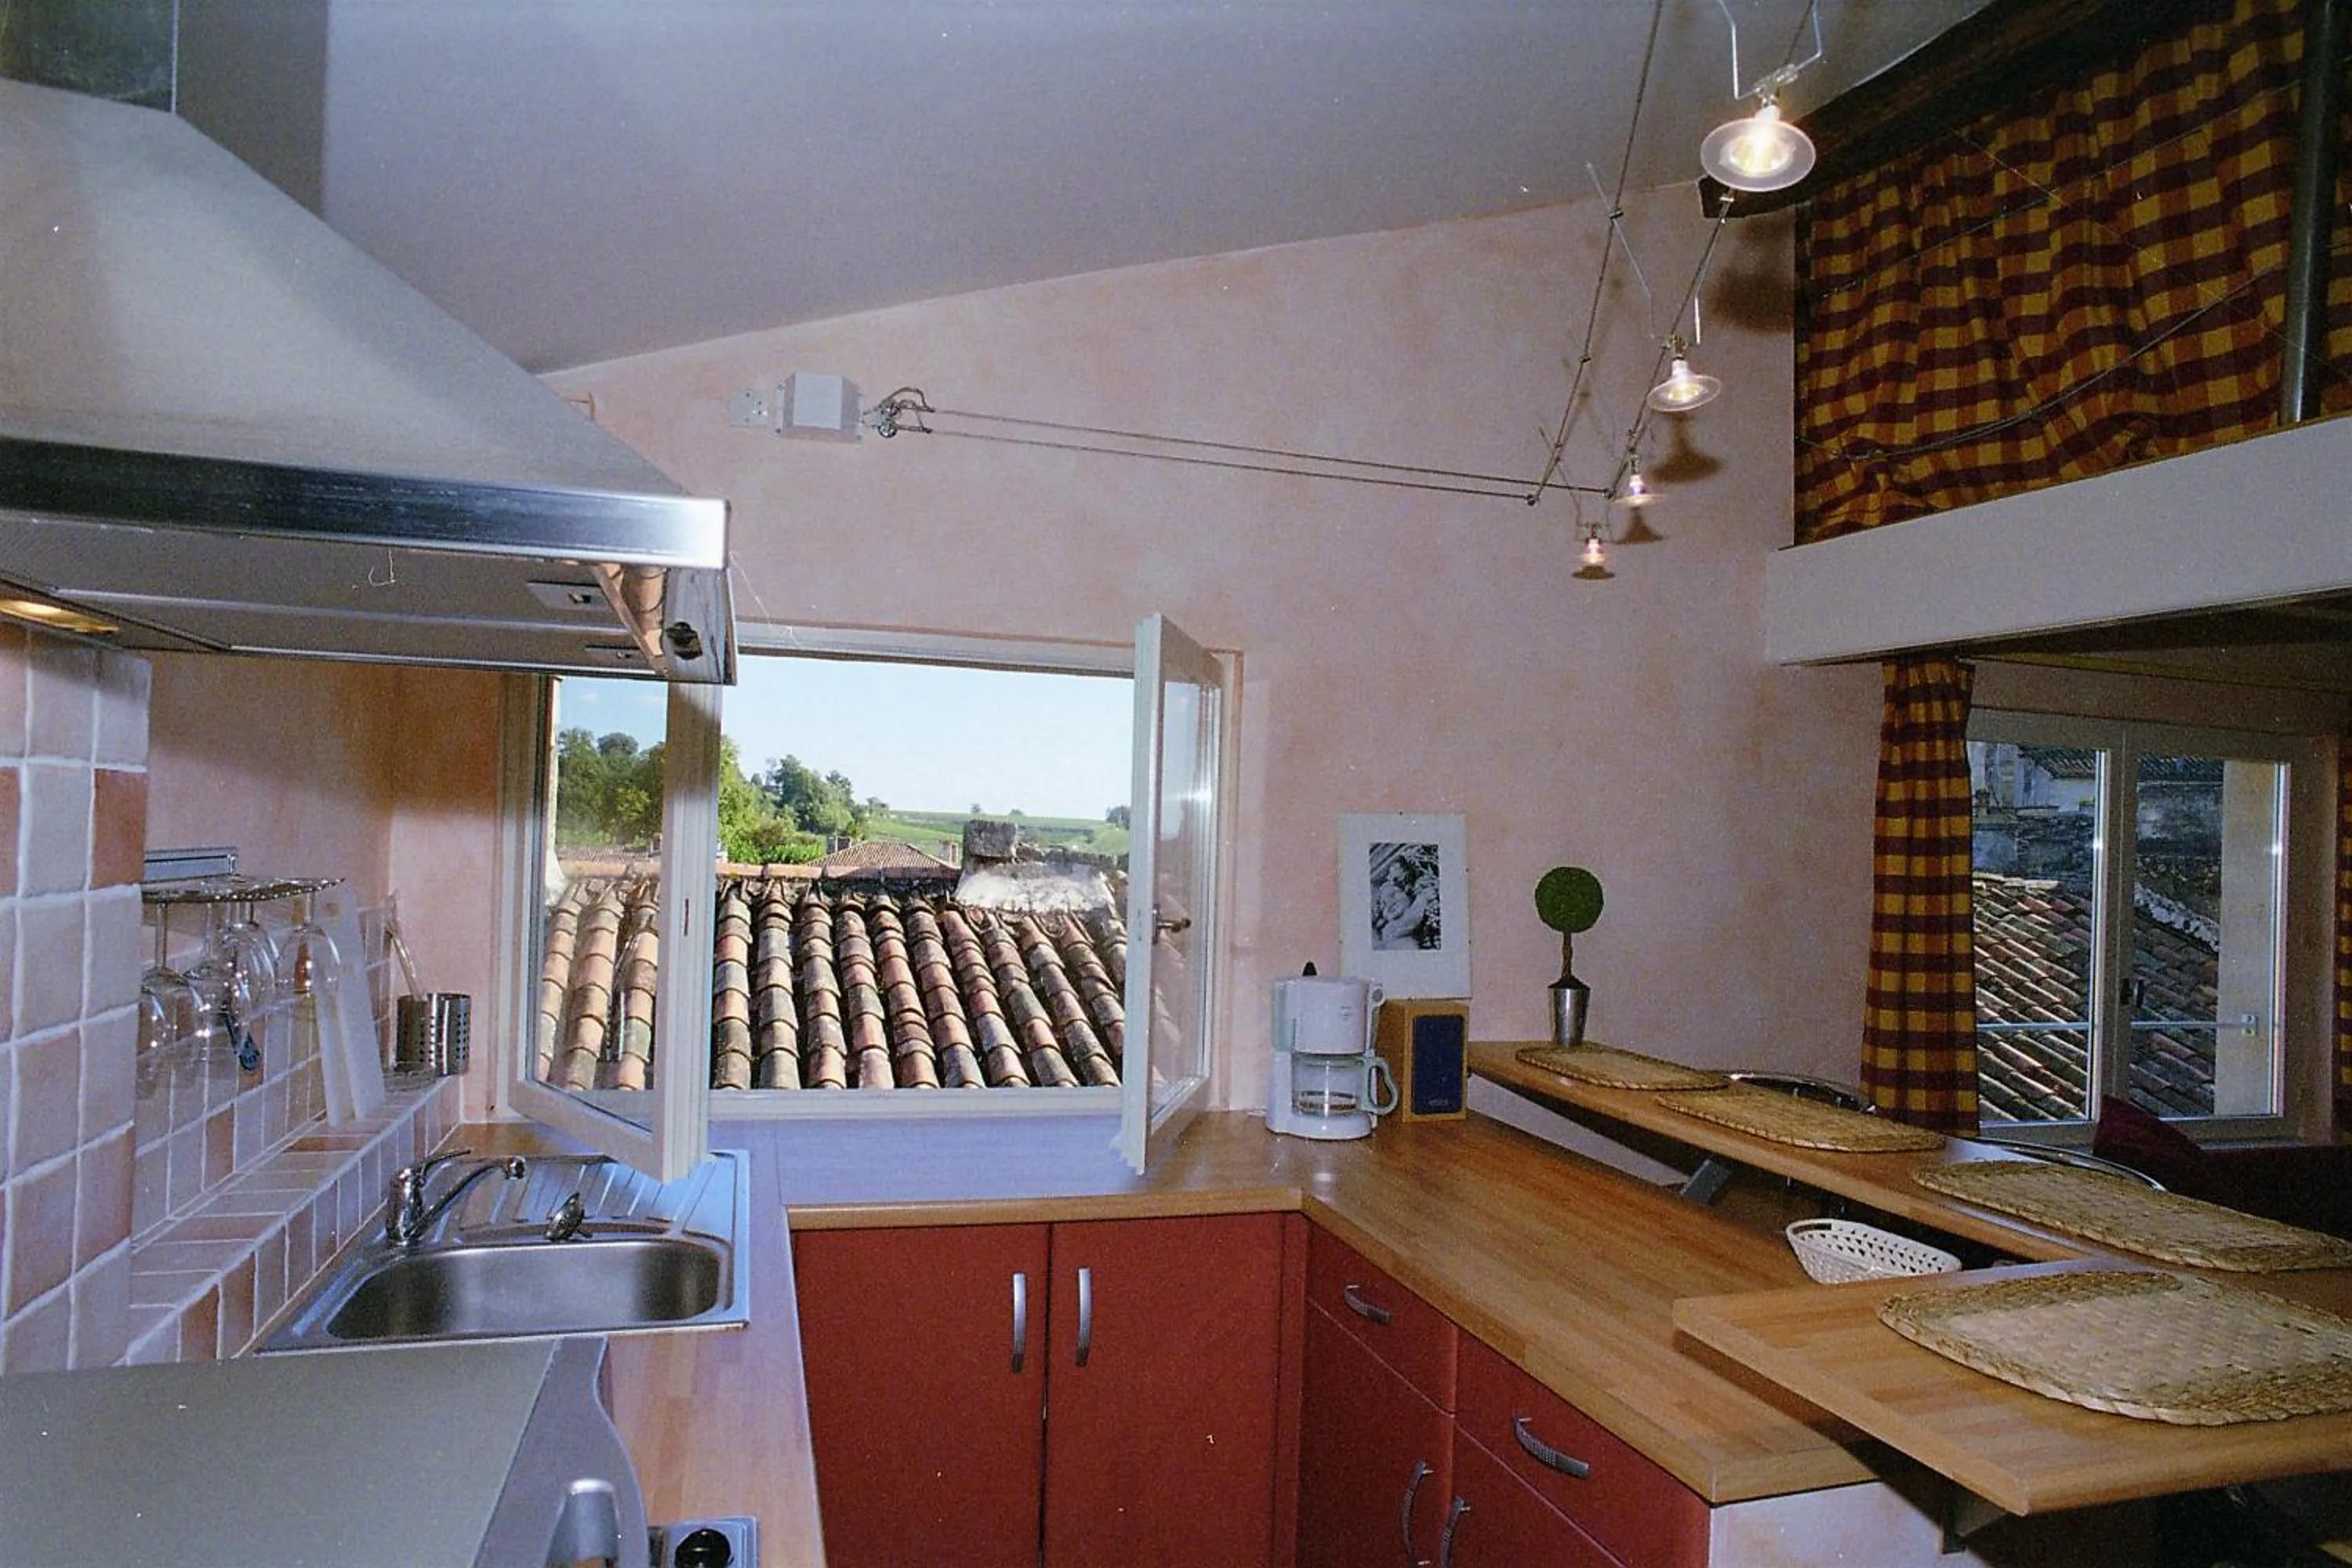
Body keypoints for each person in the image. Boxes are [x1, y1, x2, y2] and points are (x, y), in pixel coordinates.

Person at [1370, 843, 1441, 951]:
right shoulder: (1389, 930)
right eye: (1383, 905)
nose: (1389, 903)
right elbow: (1411, 919)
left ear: (1409, 893)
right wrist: (1423, 898)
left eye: (1394, 894)